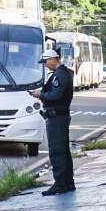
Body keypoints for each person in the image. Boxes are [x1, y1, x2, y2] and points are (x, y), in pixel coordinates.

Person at [31, 49, 75, 196]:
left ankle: (60, 184)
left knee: (57, 151)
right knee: (64, 151)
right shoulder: (65, 72)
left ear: (53, 59)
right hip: (60, 116)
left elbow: (56, 95)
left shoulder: (60, 74)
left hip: (56, 117)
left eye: (45, 61)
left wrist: (41, 94)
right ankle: (68, 183)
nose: (44, 65)